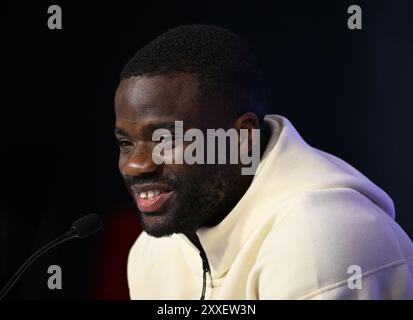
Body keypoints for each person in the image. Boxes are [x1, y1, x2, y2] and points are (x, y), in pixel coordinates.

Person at [114, 24, 413, 299]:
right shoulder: (152, 253)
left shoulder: (318, 235)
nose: (136, 165)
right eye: (126, 143)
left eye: (167, 140)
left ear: (242, 137)